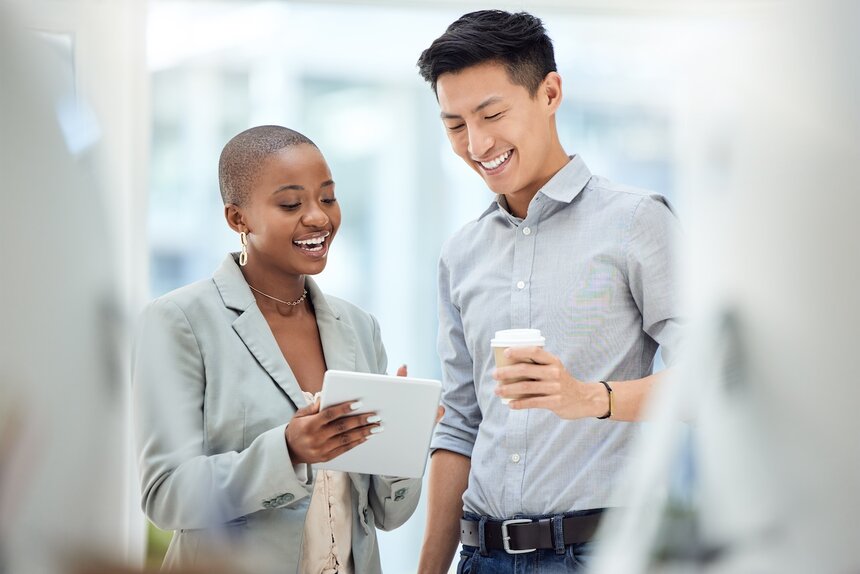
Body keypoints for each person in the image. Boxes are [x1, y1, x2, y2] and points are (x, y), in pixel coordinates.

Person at [415, 10, 683, 573]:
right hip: (479, 556)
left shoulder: (637, 220)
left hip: (595, 553)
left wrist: (591, 398)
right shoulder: (461, 252)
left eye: (492, 114)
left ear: (550, 92)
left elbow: (708, 380)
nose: (477, 142)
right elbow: (461, 423)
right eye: (455, 125)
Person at [132, 125, 421, 574]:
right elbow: (166, 495)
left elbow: (389, 515)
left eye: (327, 198)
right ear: (237, 219)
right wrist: (288, 451)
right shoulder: (178, 321)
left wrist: (403, 440)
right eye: (291, 204)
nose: (318, 218)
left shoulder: (360, 327)